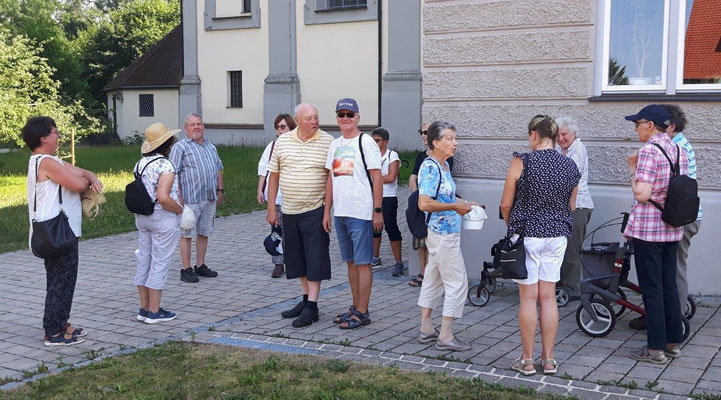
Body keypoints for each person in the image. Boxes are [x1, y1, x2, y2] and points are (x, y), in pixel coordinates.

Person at [501, 115, 579, 375]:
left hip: (528, 234)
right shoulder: (569, 165)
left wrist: (511, 225)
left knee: (528, 297)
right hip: (557, 236)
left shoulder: (522, 161)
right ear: (555, 137)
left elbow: (505, 204)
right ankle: (549, 359)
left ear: (534, 134)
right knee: (548, 297)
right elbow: (572, 206)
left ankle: (526, 360)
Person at [22, 116, 104, 346]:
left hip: (59, 231)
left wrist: (90, 177)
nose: (58, 136)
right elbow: (79, 183)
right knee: (61, 282)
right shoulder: (46, 163)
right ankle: (54, 332)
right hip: (56, 232)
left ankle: (61, 322)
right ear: (43, 137)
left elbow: (84, 172)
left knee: (62, 280)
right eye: (55, 132)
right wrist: (86, 179)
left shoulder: (49, 160)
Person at [624, 105, 688, 363]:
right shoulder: (678, 148)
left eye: (637, 123)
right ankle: (673, 343)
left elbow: (642, 194)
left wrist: (632, 170)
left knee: (652, 290)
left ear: (650, 125)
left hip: (649, 230)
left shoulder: (649, 151)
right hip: (672, 228)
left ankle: (654, 350)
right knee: (669, 286)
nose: (636, 128)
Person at [267, 103, 333, 328]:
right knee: (297, 258)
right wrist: (270, 209)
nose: (314, 122)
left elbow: (331, 179)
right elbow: (273, 175)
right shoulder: (283, 141)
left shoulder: (327, 142)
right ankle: (305, 300)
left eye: (316, 117)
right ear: (297, 120)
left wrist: (327, 211)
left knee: (315, 258)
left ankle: (312, 307)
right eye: (309, 118)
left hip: (314, 210)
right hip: (289, 210)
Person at [323, 98, 383, 330]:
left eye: (350, 114)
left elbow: (377, 177)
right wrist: (327, 211)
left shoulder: (365, 142)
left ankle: (363, 311)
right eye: (341, 114)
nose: (345, 118)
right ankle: (355, 306)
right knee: (350, 263)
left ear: (358, 117)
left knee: (363, 263)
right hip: (341, 213)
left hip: (361, 212)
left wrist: (377, 211)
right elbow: (331, 178)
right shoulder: (335, 144)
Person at [416, 121, 474, 351]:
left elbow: (446, 198)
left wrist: (465, 204)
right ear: (435, 142)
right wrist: (454, 209)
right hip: (443, 236)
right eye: (449, 138)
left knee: (433, 279)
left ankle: (426, 329)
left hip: (442, 234)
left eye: (454, 138)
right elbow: (424, 203)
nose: (455, 143)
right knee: (458, 283)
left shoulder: (444, 166)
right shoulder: (430, 167)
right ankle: (446, 336)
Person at [133, 123, 184, 324]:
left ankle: (144, 308)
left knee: (144, 259)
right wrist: (180, 209)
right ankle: (154, 311)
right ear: (168, 143)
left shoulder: (140, 164)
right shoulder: (166, 166)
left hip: (143, 216)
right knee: (160, 262)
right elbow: (163, 197)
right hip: (163, 217)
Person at [169, 113, 224, 283]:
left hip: (209, 196)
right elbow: (173, 172)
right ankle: (186, 268)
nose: (196, 127)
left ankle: (200, 265)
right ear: (186, 128)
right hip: (190, 198)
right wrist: (178, 196)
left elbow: (218, 168)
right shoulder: (180, 147)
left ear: (203, 126)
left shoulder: (211, 147)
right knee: (186, 233)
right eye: (192, 124)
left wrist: (220, 190)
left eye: (199, 124)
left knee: (204, 231)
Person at [407, 122, 454, 287]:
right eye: (422, 131)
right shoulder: (424, 158)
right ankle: (424, 272)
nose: (423, 135)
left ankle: (431, 276)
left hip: (435, 210)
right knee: (420, 239)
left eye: (426, 132)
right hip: (423, 203)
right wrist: (418, 195)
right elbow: (412, 177)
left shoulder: (445, 160)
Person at [555, 116, 594, 304]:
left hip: (578, 206)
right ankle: (559, 286)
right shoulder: (557, 149)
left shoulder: (578, 148)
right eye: (557, 135)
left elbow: (570, 176)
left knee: (572, 250)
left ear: (573, 133)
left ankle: (572, 290)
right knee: (559, 249)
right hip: (561, 207)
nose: (561, 138)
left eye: (564, 134)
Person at [257, 113, 296, 278]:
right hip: (277, 196)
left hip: (293, 196)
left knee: (293, 231)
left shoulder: (296, 146)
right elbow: (263, 168)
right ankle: (278, 263)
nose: (280, 130)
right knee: (277, 230)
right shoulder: (272, 146)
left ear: (291, 128)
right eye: (278, 127)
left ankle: (294, 262)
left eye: (283, 126)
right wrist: (260, 189)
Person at [370, 127, 404, 276]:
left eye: (377, 141)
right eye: (373, 140)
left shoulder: (392, 155)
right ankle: (375, 257)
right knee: (375, 227)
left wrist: (375, 180)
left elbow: (391, 177)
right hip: (373, 195)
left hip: (389, 196)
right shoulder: (370, 156)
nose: (374, 143)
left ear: (385, 142)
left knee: (390, 227)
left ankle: (399, 261)